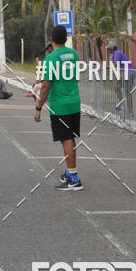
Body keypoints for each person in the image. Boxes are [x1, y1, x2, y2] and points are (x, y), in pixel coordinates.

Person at [34, 25, 83, 191]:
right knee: (70, 138)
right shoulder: (74, 54)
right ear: (65, 39)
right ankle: (70, 173)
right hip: (74, 102)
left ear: (51, 40)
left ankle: (74, 179)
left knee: (66, 140)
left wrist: (38, 107)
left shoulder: (51, 58)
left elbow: (47, 85)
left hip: (60, 105)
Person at [107, 40, 134, 117]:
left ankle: (130, 112)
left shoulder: (117, 53)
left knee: (128, 93)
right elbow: (117, 67)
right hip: (124, 74)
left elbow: (115, 65)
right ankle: (121, 104)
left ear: (112, 48)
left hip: (129, 73)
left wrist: (105, 67)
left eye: (109, 49)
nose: (108, 50)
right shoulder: (115, 55)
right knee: (117, 88)